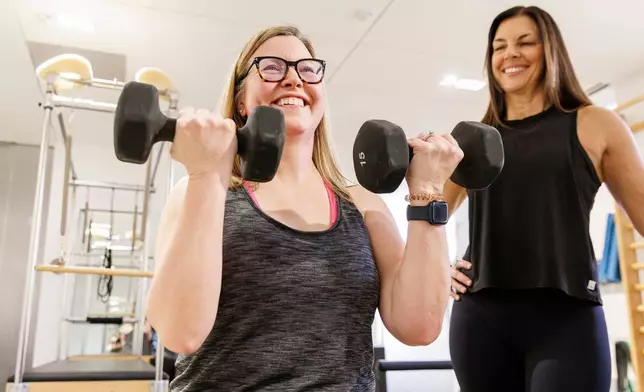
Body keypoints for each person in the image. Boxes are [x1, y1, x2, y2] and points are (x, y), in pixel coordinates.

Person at [145, 25, 464, 391]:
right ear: (240, 99)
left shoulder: (362, 206)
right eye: (272, 67)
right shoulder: (203, 193)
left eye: (307, 68)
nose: (294, 78)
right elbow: (179, 333)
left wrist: (428, 191)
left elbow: (419, 327)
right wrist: (207, 175)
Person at [446, 5, 644, 392]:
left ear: (550, 49)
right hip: (481, 315)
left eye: (525, 42)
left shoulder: (595, 124)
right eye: (499, 46)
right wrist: (441, 266)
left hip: (566, 315)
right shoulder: (473, 138)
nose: (510, 54)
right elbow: (427, 211)